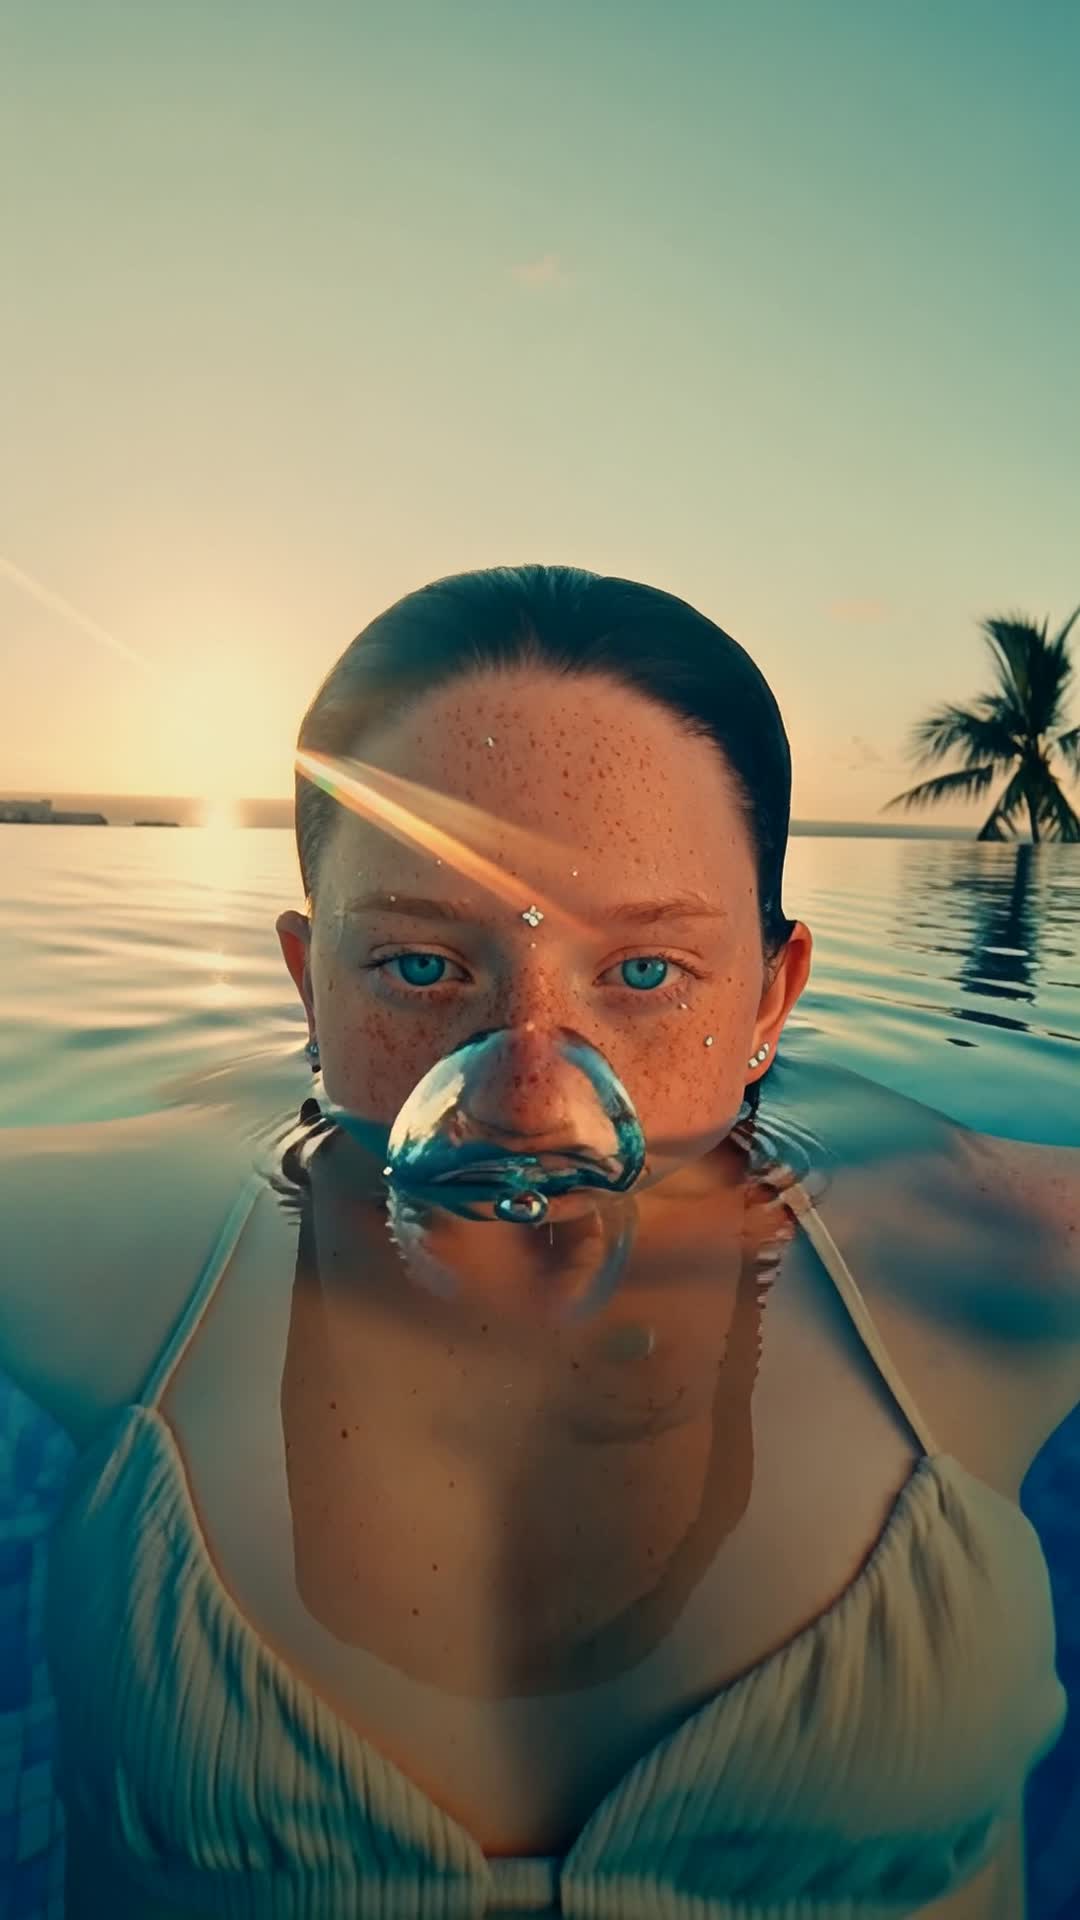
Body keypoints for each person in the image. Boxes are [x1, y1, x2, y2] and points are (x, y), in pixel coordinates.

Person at [2, 562, 1078, 1920]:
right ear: (306, 982)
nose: (526, 1097)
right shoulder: (119, 1253)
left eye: (641, 975)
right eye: (418, 966)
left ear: (772, 994)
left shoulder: (985, 1258)